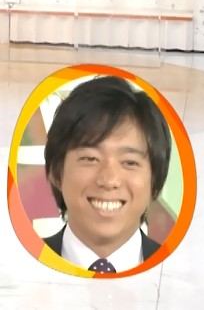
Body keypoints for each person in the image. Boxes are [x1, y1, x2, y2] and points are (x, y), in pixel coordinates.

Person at [41, 75, 172, 273]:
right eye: (90, 158)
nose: (109, 180)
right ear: (56, 173)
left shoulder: (177, 272)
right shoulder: (19, 264)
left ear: (155, 181)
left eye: (130, 162)